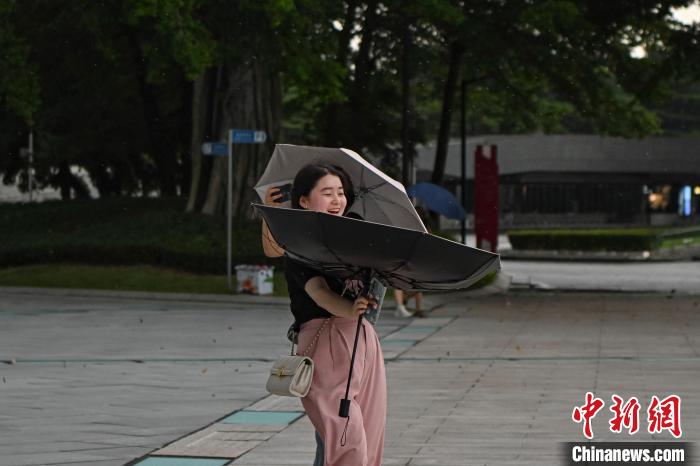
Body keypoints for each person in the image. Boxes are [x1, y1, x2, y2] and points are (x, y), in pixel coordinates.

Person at [261, 163, 386, 466]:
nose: (336, 200)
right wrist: (348, 308)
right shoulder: (300, 246)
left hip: (363, 338)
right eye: (327, 193)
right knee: (346, 434)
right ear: (304, 200)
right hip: (326, 338)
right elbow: (317, 291)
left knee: (367, 431)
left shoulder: (357, 234)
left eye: (341, 193)